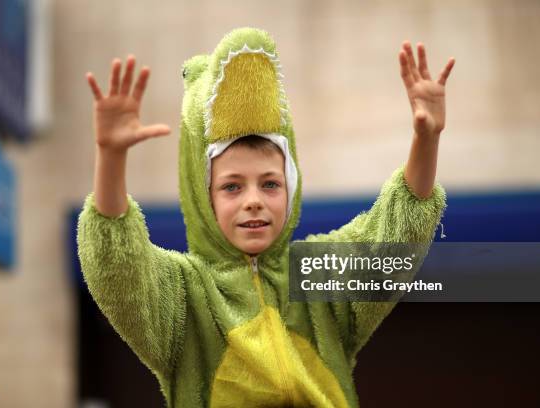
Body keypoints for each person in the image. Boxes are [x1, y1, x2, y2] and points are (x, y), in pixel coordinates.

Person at [77, 27, 454, 407]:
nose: (253, 201)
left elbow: (394, 239)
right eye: (232, 187)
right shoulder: (184, 294)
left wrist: (427, 138)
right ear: (202, 197)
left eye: (270, 184)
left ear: (291, 189)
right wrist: (110, 157)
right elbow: (119, 267)